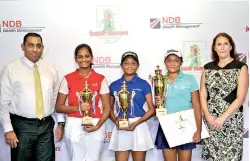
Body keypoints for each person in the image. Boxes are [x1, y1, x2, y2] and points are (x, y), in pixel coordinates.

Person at [0, 33, 65, 161]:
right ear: (22, 47)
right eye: (30, 45)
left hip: (46, 126)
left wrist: (60, 123)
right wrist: (8, 129)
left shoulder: (50, 69)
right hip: (21, 127)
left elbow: (56, 98)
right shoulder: (11, 69)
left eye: (38, 46)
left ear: (42, 48)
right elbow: (3, 102)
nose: (35, 49)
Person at [55, 43, 111, 161]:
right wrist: (78, 108)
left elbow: (107, 108)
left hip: (96, 122)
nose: (84, 59)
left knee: (93, 159)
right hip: (74, 122)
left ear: (91, 58)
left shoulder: (100, 78)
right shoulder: (68, 78)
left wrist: (98, 125)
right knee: (77, 158)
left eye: (87, 56)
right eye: (80, 57)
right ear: (75, 59)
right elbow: (59, 107)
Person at [200, 33, 248, 161]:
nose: (222, 47)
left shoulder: (240, 67)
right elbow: (203, 94)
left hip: (231, 120)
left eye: (225, 44)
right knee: (211, 157)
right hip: (211, 120)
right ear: (214, 48)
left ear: (231, 46)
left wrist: (222, 118)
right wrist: (208, 116)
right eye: (219, 44)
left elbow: (241, 97)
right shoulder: (207, 68)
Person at [155, 49, 202, 161]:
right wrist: (157, 104)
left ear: (181, 62)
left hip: (186, 125)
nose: (172, 63)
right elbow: (156, 106)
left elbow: (197, 106)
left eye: (176, 60)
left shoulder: (190, 79)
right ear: (165, 62)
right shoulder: (159, 80)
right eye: (169, 60)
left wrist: (199, 130)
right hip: (167, 126)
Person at [108, 51, 155, 161]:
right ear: (121, 65)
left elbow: (152, 109)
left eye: (133, 63)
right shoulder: (114, 85)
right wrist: (116, 120)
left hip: (139, 125)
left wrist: (136, 123)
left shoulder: (144, 84)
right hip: (120, 125)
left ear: (138, 66)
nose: (130, 66)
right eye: (126, 63)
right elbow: (108, 109)